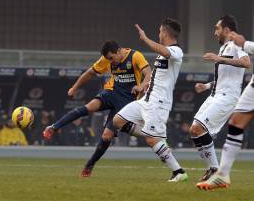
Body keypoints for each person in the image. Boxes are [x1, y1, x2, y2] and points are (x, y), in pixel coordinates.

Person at [43, 40, 151, 176]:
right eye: (108, 59)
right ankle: (54, 127)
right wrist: (74, 87)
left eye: (112, 58)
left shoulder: (135, 56)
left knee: (106, 136)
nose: (111, 62)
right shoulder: (107, 59)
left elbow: (148, 73)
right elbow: (89, 73)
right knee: (89, 107)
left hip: (127, 101)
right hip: (111, 92)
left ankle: (90, 164)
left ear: (119, 51)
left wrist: (141, 86)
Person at [113, 18, 188, 182]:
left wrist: (145, 38)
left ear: (166, 33)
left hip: (159, 103)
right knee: (118, 120)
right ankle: (159, 140)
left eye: (160, 31)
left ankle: (179, 172)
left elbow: (166, 52)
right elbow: (154, 75)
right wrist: (141, 86)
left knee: (151, 139)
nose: (159, 34)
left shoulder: (176, 51)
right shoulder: (162, 54)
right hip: (146, 99)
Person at [188, 15, 250, 182]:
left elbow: (246, 63)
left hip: (228, 97)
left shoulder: (236, 43)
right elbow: (225, 77)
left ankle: (215, 170)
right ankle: (211, 168)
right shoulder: (224, 48)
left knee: (199, 128)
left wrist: (219, 59)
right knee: (193, 130)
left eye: (217, 28)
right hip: (214, 95)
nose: (215, 32)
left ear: (227, 30)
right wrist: (206, 86)